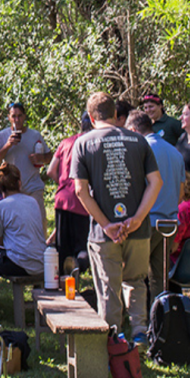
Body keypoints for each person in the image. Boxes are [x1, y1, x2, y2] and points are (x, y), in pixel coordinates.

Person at [71, 91, 162, 348]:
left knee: (109, 287)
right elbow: (156, 182)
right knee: (136, 281)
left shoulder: (84, 143)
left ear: (91, 117)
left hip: (104, 232)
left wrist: (106, 225)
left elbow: (81, 190)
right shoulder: (138, 140)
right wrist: (137, 218)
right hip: (138, 228)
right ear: (115, 114)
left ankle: (113, 341)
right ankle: (140, 333)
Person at [126, 109, 186, 303]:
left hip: (147, 221)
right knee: (159, 278)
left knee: (135, 274)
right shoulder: (175, 152)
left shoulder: (141, 150)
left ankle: (137, 321)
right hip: (169, 222)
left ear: (134, 130)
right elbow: (182, 191)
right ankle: (159, 319)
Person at [0, 164, 45, 306]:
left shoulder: (1, 206)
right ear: (19, 183)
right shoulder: (33, 201)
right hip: (41, 260)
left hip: (19, 263)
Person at [0, 102, 52, 231]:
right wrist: (7, 145)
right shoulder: (2, 136)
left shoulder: (35, 135)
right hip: (12, 188)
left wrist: (41, 158)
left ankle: (41, 249)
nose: (17, 120)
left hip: (33, 186)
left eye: (19, 116)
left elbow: (49, 157)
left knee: (39, 223)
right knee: (14, 225)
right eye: (13, 116)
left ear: (24, 117)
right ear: (9, 118)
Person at [47, 113, 92, 273]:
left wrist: (64, 183)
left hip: (62, 199)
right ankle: (78, 269)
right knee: (83, 246)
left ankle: (61, 283)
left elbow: (51, 170)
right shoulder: (92, 143)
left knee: (63, 247)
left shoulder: (67, 142)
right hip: (83, 201)